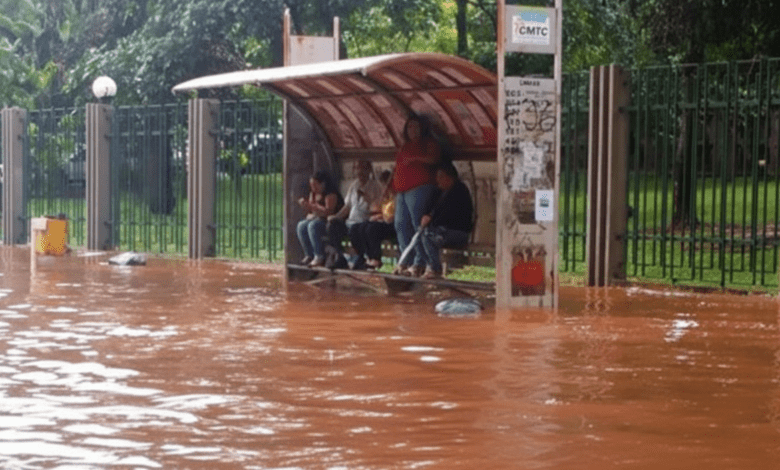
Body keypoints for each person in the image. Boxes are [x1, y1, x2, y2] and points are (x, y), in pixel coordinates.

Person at [391, 114, 441, 276]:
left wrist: (415, 159)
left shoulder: (429, 143)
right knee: (400, 224)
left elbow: (434, 159)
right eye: (410, 127)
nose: (413, 130)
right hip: (402, 190)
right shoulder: (404, 146)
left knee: (416, 224)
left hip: (420, 187)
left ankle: (421, 260)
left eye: (416, 127)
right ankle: (406, 259)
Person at [415, 162, 474, 279]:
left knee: (429, 236)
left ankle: (435, 269)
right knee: (420, 234)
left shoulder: (460, 190)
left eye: (441, 177)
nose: (438, 180)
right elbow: (428, 209)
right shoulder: (438, 192)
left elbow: (450, 215)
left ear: (450, 177)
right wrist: (425, 217)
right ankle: (426, 265)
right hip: (441, 230)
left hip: (457, 232)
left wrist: (432, 220)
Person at [325, 160, 382, 269]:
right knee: (332, 226)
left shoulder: (375, 186)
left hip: (363, 224)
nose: (359, 171)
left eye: (362, 168)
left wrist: (368, 199)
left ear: (369, 170)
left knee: (356, 229)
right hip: (350, 222)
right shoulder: (354, 185)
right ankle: (340, 257)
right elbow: (347, 207)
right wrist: (335, 217)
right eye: (356, 168)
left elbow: (378, 209)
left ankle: (359, 259)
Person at [350, 169, 396, 270]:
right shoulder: (385, 197)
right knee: (357, 227)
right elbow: (376, 210)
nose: (383, 188)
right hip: (383, 222)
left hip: (392, 225)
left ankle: (376, 258)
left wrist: (381, 217)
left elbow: (392, 217)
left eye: (384, 185)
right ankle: (362, 256)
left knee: (371, 229)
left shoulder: (396, 197)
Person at [296, 170, 343, 267]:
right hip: (317, 219)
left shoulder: (330, 194)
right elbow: (310, 214)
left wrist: (314, 207)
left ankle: (319, 256)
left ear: (323, 184)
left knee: (313, 226)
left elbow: (328, 212)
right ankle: (309, 254)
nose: (313, 188)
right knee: (301, 225)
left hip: (331, 223)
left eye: (315, 185)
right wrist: (306, 206)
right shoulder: (313, 194)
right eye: (311, 185)